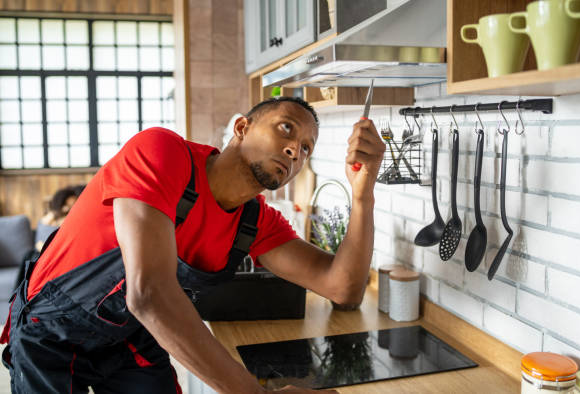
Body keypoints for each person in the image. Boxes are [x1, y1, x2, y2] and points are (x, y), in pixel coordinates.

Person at [1, 96, 385, 393]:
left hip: (130, 336)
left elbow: (344, 288)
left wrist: (363, 194)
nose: (294, 151)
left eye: (306, 149)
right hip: (50, 332)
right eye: (286, 129)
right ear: (241, 127)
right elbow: (148, 294)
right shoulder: (161, 153)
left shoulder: (255, 221)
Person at [34, 184, 85, 252]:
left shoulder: (73, 220)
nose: (71, 207)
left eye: (74, 204)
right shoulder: (50, 218)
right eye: (68, 205)